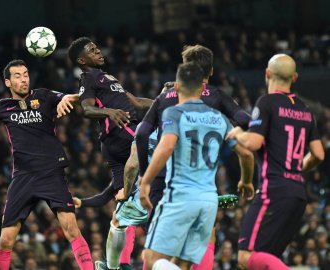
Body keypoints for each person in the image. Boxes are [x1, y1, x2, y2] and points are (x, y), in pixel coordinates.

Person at [0, 59, 94, 270]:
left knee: (72, 229)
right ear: (8, 83)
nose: (23, 79)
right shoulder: (4, 107)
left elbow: (69, 97)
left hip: (51, 174)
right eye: (18, 76)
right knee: (6, 240)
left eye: (26, 74)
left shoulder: (43, 96)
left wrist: (69, 98)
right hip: (23, 177)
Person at [135, 44, 252, 269]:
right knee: (190, 258)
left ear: (179, 81)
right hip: (208, 196)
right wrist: (246, 180)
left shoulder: (168, 104)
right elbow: (245, 143)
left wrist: (144, 178)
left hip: (172, 189)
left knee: (151, 260)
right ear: (208, 75)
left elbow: (144, 136)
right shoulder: (218, 112)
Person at [226, 54, 325, 269]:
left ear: (267, 74)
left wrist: (237, 134)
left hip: (274, 191)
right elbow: (318, 154)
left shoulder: (267, 102)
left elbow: (253, 142)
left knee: (245, 256)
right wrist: (297, 169)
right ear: (295, 77)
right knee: (264, 258)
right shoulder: (305, 111)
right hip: (298, 194)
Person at [65, 37, 153, 270]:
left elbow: (135, 101)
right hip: (122, 133)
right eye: (92, 50)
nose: (98, 51)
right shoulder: (88, 77)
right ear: (82, 60)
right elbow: (86, 108)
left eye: (97, 47)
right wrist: (110, 112)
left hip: (114, 141)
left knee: (121, 193)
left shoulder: (109, 78)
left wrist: (163, 102)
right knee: (161, 155)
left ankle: (114, 265)